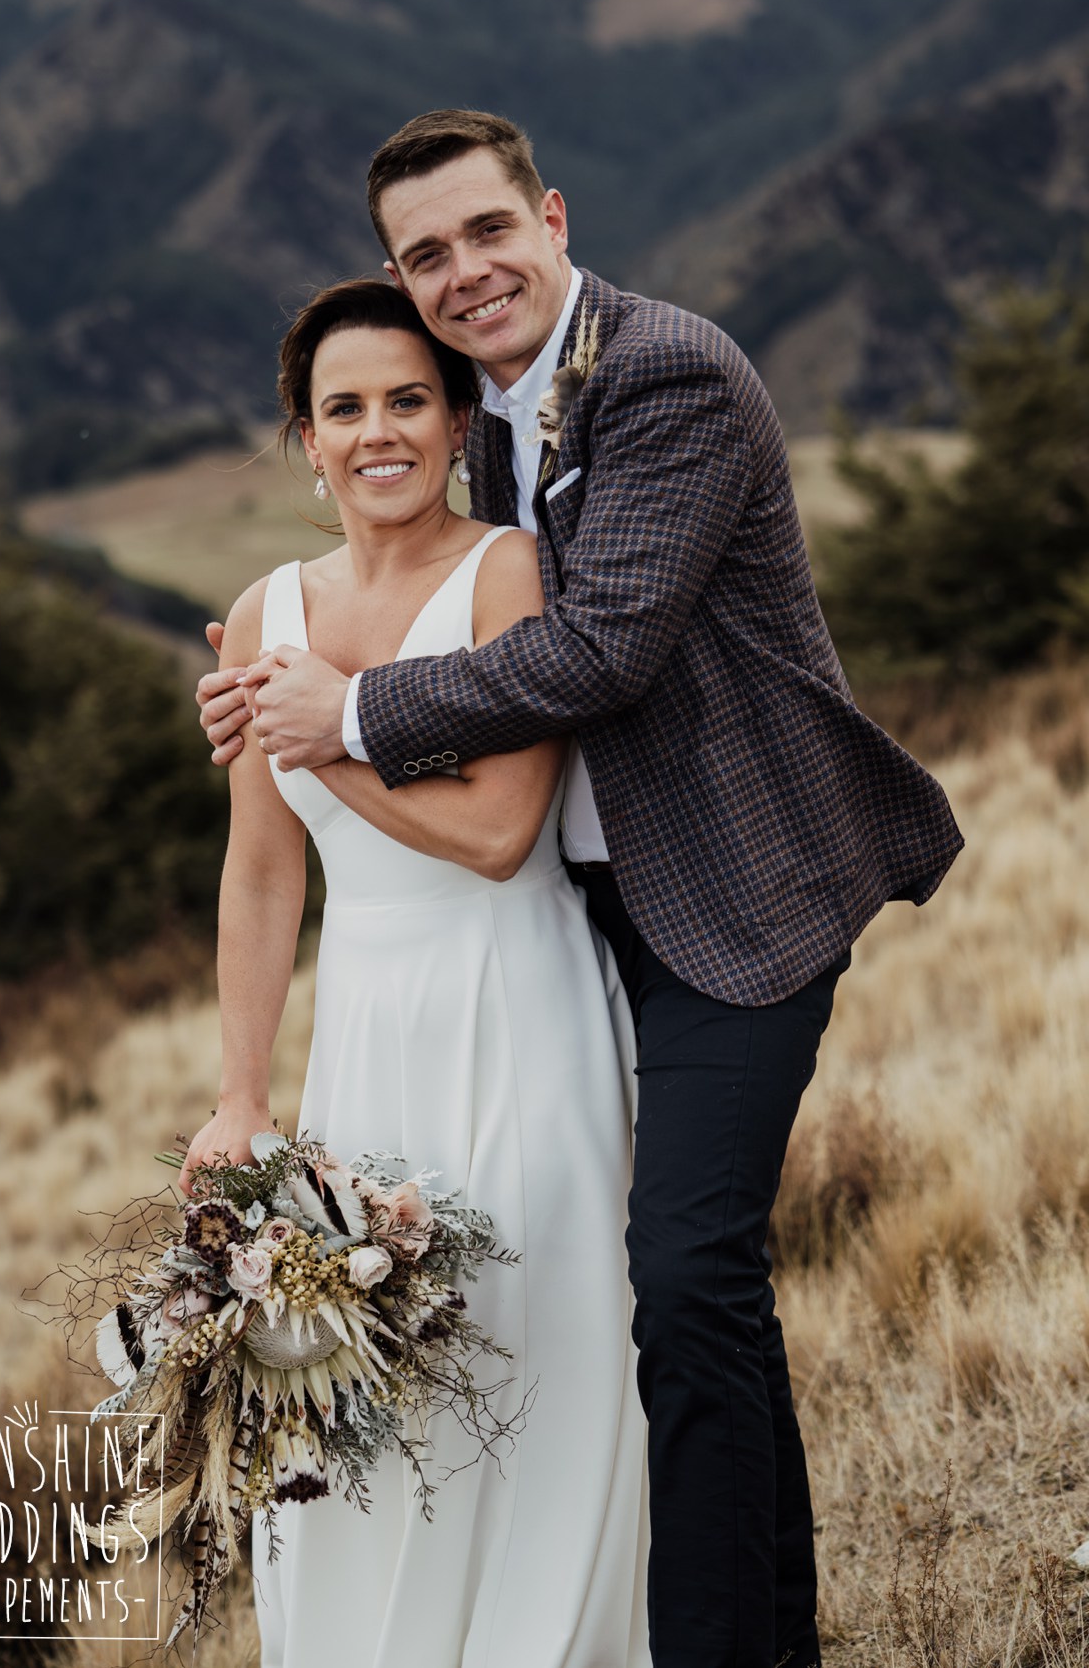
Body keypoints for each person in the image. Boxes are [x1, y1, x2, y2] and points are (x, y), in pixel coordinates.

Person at [199, 109, 965, 1668]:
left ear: (551, 215)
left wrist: (333, 716)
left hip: (735, 895)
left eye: (489, 231)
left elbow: (597, 649)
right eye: (427, 256)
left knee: (681, 1275)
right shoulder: (480, 417)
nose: (465, 271)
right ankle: (766, 1628)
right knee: (702, 1308)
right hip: (582, 914)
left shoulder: (669, 371)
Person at [180, 276, 650, 1667]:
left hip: (525, 1012)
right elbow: (265, 874)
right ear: (305, 440)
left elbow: (504, 833)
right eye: (345, 408)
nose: (379, 430)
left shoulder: (506, 571)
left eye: (408, 400)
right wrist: (243, 1099)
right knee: (361, 1378)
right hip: (368, 1036)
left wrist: (331, 739)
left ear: (456, 422)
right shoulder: (265, 609)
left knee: (542, 1356)